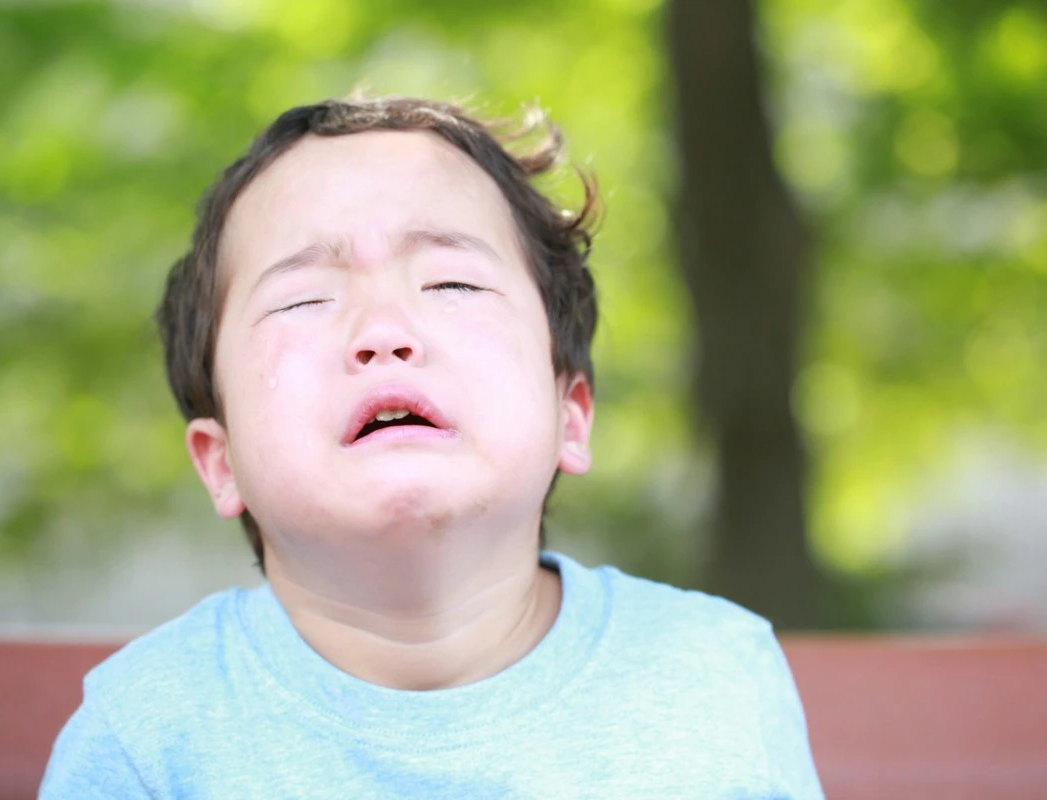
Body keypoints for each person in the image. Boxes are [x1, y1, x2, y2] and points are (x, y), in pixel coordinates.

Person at [40, 95, 824, 798]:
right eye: (304, 298)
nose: (384, 333)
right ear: (221, 461)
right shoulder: (147, 738)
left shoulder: (713, 675)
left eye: (452, 285)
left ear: (570, 415)